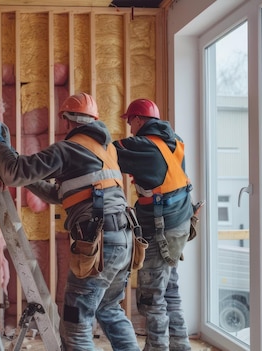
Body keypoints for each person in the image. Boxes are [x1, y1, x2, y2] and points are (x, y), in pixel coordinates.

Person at [0, 92, 140, 351]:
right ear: (93, 120)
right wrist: (26, 178)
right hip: (126, 239)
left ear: (67, 122)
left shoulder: (68, 149)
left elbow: (13, 172)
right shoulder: (107, 149)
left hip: (101, 243)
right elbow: (61, 195)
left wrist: (0, 144)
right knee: (109, 310)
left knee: (76, 327)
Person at [113, 98, 194, 351]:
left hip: (161, 229)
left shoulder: (143, 145)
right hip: (179, 224)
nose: (129, 128)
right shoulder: (174, 141)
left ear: (138, 120)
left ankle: (157, 347)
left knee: (152, 297)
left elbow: (105, 152)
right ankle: (180, 345)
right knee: (169, 288)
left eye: (130, 122)